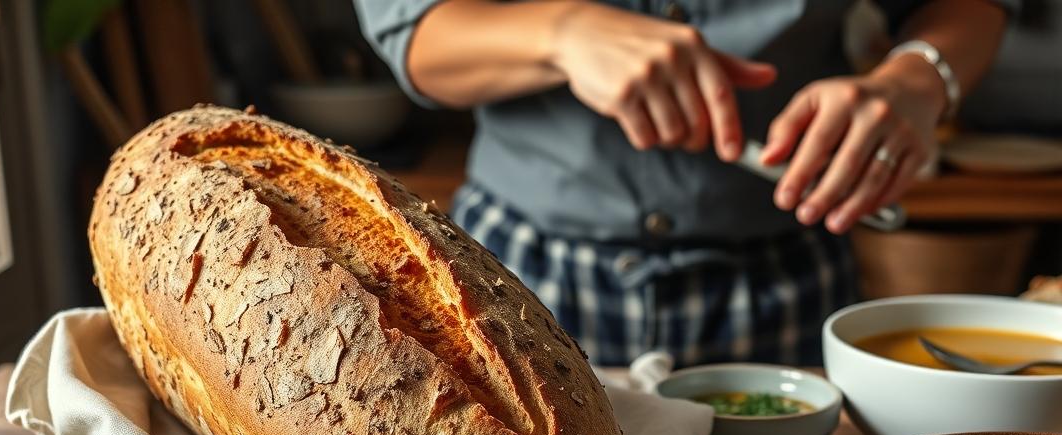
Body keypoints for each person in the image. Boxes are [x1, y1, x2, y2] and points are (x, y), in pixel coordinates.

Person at [355, 0, 1010, 365]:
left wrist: (918, 79)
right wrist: (562, 33)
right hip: (517, 277)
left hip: (782, 281)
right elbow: (412, 29)